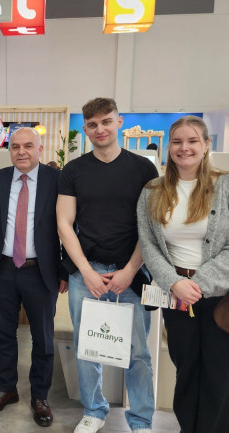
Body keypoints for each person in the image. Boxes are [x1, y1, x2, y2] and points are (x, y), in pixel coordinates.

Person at [137, 115, 229, 433]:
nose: (184, 148)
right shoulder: (152, 190)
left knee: (222, 378)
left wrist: (199, 283)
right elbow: (149, 245)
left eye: (193, 141)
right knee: (187, 372)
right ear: (169, 147)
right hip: (178, 298)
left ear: (206, 145)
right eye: (177, 141)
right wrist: (175, 282)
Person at [56, 98, 157, 433]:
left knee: (138, 352)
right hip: (87, 274)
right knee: (88, 347)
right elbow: (64, 224)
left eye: (106, 122)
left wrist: (130, 270)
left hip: (132, 272)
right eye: (92, 124)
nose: (100, 129)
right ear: (85, 129)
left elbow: (150, 225)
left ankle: (141, 420)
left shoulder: (143, 169)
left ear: (119, 122)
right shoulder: (73, 171)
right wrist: (86, 272)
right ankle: (94, 411)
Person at [0, 127, 66, 427]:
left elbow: (70, 227)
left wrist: (65, 270)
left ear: (40, 149)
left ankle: (40, 396)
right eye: (15, 146)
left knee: (42, 339)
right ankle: (7, 388)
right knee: (4, 334)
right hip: (3, 269)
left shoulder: (57, 180)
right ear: (9, 151)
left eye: (28, 146)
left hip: (41, 272)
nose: (21, 152)